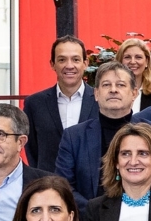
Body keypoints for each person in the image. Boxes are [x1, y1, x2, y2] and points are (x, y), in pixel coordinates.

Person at [55, 61, 136, 209]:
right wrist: (95, 213)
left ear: (134, 94)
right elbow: (64, 185)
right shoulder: (74, 137)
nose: (113, 90)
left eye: (120, 85)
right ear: (96, 94)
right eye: (106, 85)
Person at [23, 35, 98, 173]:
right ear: (52, 64)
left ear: (85, 63)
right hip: (49, 185)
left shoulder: (100, 101)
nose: (69, 66)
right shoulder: (34, 104)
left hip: (91, 190)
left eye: (75, 59)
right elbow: (32, 150)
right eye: (62, 60)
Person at [117, 38, 151, 113]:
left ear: (146, 61)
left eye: (138, 57)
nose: (133, 62)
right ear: (120, 61)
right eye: (127, 57)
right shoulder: (111, 91)